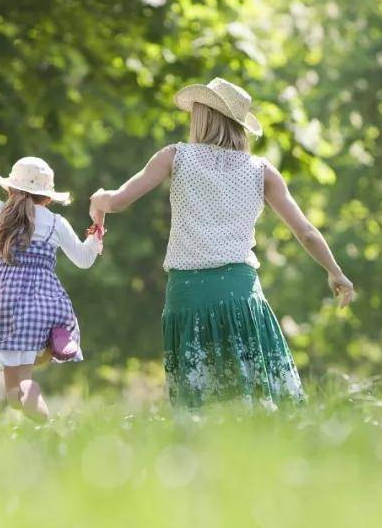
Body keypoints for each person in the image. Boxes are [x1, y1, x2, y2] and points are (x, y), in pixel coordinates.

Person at [89, 77, 354, 408]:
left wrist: (99, 201)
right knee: (256, 398)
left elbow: (117, 201)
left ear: (202, 116)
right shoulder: (262, 171)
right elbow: (307, 232)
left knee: (201, 405)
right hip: (240, 294)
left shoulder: (175, 157)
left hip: (188, 294)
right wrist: (335, 272)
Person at [0, 157, 102, 421]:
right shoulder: (55, 223)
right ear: (48, 199)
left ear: (9, 190)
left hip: (3, 308)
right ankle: (43, 419)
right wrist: (96, 230)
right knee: (20, 388)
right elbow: (84, 260)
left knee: (14, 393)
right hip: (41, 309)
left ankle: (45, 424)